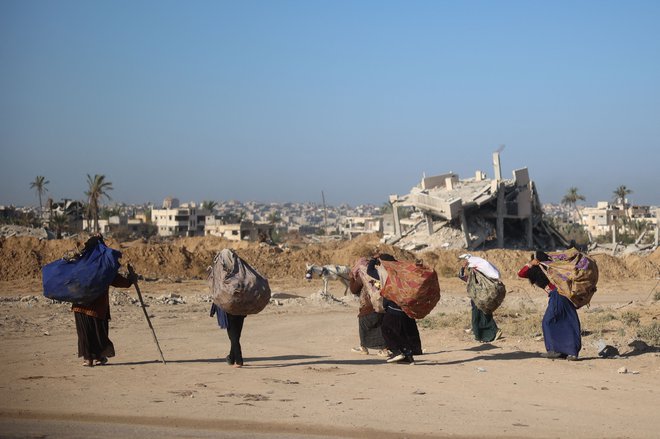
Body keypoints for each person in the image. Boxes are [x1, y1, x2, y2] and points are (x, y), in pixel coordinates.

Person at [71, 235, 138, 367]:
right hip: (97, 307)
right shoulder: (103, 265)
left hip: (79, 305)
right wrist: (130, 280)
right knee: (98, 332)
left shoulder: (79, 262)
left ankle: (87, 359)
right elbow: (117, 281)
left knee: (85, 333)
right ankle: (99, 357)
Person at [518, 251, 581, 360]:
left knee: (548, 321)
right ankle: (570, 352)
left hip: (557, 295)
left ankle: (553, 350)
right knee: (569, 321)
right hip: (567, 295)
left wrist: (530, 264)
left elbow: (521, 273)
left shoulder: (546, 270)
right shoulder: (556, 267)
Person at [374, 254, 421, 365]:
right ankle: (408, 358)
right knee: (402, 333)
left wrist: (373, 259)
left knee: (387, 329)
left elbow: (370, 271)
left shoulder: (389, 274)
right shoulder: (401, 273)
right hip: (406, 308)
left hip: (394, 308)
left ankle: (396, 352)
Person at [458, 254, 503, 343]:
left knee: (480, 316)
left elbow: (462, 276)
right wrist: (463, 267)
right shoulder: (472, 278)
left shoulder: (483, 279)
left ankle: (489, 333)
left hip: (481, 299)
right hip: (478, 300)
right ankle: (482, 335)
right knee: (480, 317)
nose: (471, 271)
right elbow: (461, 276)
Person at [348, 259, 389, 357]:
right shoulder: (377, 273)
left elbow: (354, 290)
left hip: (368, 306)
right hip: (380, 304)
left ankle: (363, 348)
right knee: (380, 327)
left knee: (363, 325)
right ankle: (384, 349)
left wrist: (351, 278)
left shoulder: (363, 275)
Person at [211, 303, 246, 368]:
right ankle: (231, 358)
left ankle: (239, 361)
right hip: (241, 309)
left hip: (229, 310)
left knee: (234, 337)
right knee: (236, 336)